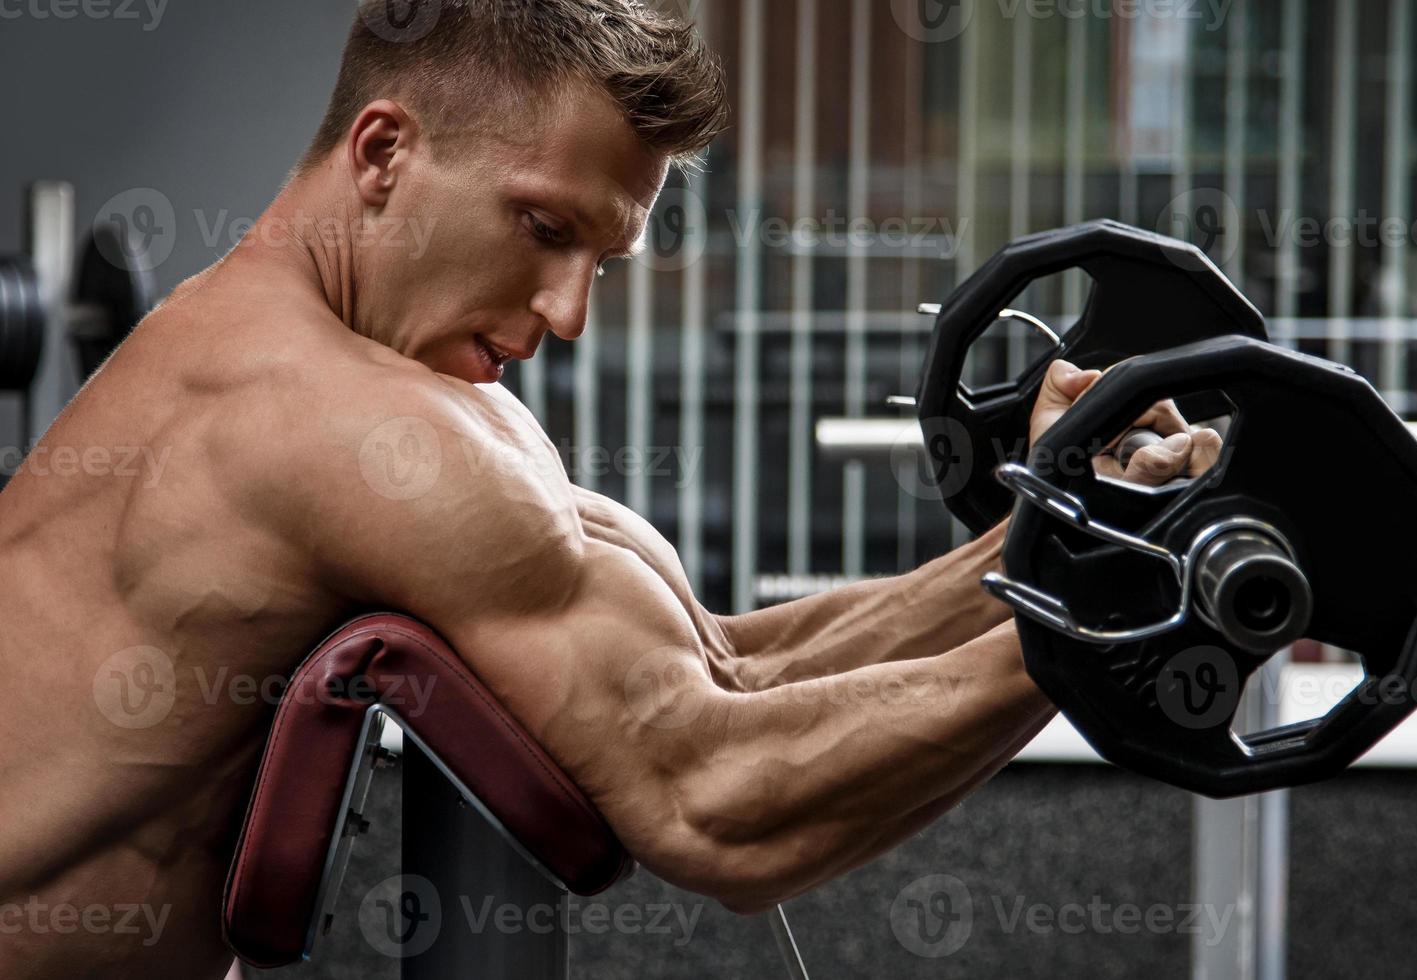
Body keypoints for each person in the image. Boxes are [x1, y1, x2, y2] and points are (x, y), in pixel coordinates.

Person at [0, 2, 1218, 977]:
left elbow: (727, 668)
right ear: (382, 153)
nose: (570, 311)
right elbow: (714, 801)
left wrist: (1057, 524)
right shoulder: (314, 422)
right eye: (541, 227)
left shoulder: (373, 389)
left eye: (601, 255)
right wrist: (1116, 616)